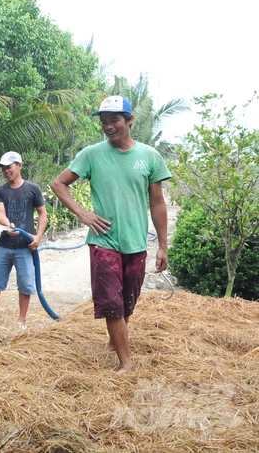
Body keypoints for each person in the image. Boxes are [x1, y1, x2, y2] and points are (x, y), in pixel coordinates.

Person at [50, 96, 171, 374]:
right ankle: (125, 363)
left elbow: (157, 203)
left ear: (130, 120)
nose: (108, 126)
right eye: (104, 122)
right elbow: (59, 184)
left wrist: (162, 246)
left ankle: (116, 340)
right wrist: (83, 214)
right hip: (104, 241)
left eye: (114, 120)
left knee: (128, 299)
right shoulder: (91, 154)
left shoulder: (149, 156)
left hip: (136, 242)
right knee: (112, 303)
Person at [0, 151, 48, 328]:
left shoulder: (32, 189)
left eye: (9, 167)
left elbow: (43, 214)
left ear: (19, 165)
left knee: (25, 284)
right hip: (4, 246)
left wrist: (38, 237)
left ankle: (22, 320)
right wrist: (9, 226)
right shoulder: (0, 191)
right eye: (3, 168)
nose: (6, 171)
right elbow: (1, 215)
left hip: (25, 247)